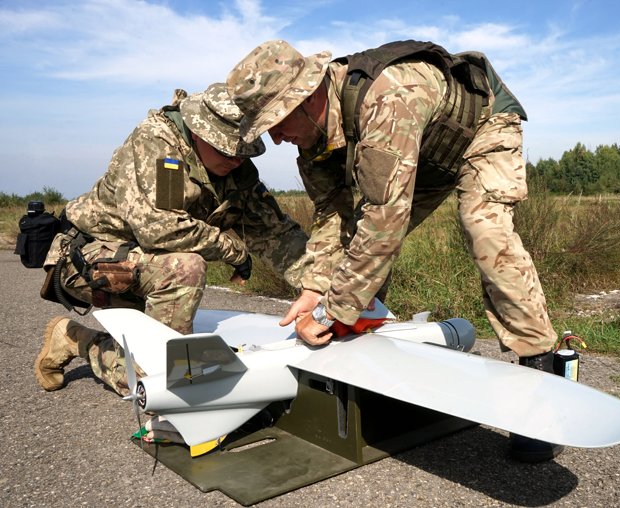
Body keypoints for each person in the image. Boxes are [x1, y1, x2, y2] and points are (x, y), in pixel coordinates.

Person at [226, 40, 563, 462]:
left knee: (486, 232)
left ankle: (542, 382)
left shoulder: (387, 97)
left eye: (277, 121)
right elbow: (333, 215)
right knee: (354, 249)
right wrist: (315, 289)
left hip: (481, 130)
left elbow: (385, 221)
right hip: (424, 152)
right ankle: (363, 354)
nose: (276, 137)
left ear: (308, 96)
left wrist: (334, 310)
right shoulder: (312, 142)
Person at [34, 82, 308, 397]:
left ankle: (153, 357)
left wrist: (326, 290)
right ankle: (77, 339)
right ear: (197, 132)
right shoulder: (157, 145)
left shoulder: (235, 170)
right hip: (85, 260)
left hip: (140, 266)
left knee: (182, 319)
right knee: (183, 280)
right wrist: (234, 251)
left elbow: (278, 233)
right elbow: (160, 228)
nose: (236, 159)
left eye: (244, 151)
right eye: (227, 149)